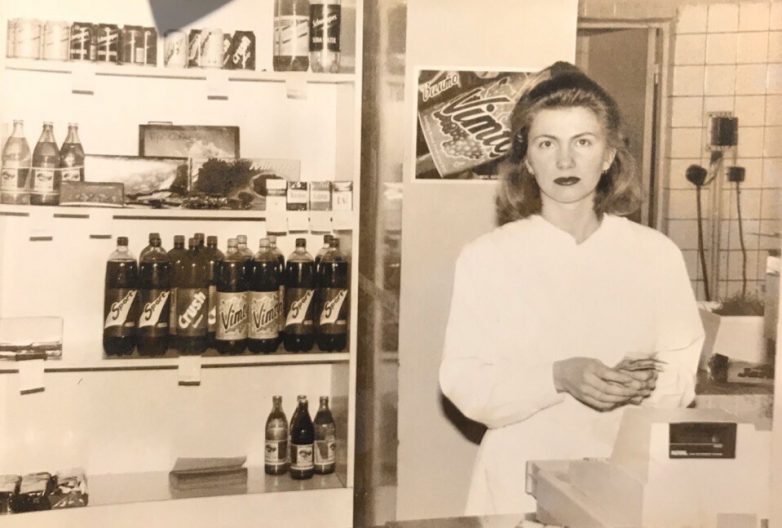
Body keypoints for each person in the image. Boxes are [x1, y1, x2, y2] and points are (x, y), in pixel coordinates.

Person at [438, 62, 704, 516]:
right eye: (547, 143)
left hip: (625, 477)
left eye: (583, 142)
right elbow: (464, 383)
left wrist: (645, 384)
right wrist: (558, 376)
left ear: (608, 155)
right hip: (517, 484)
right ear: (527, 159)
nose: (565, 161)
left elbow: (681, 376)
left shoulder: (656, 254)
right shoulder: (487, 258)